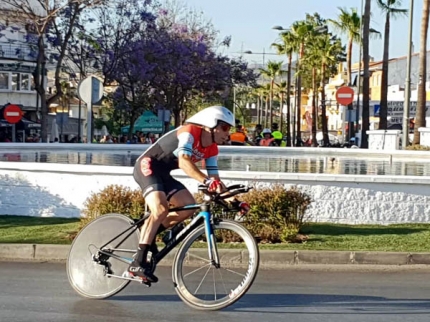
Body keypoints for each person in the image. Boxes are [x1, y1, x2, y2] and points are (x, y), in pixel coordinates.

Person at [129, 105, 250, 283]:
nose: (228, 134)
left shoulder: (212, 149)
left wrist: (235, 200)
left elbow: (216, 180)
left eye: (229, 129)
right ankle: (137, 263)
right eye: (225, 128)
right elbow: (184, 161)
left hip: (163, 173)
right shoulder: (189, 132)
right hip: (148, 166)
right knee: (161, 208)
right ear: (210, 125)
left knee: (187, 207)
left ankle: (149, 232)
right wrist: (207, 182)